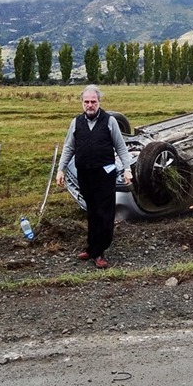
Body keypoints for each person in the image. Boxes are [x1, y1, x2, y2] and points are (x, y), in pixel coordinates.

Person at [55, 85, 133, 269]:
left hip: (104, 174)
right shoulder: (76, 122)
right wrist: (61, 169)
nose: (90, 105)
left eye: (93, 102)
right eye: (86, 102)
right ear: (82, 103)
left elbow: (121, 147)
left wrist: (127, 169)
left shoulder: (110, 121)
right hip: (85, 174)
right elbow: (69, 147)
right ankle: (91, 248)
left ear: (99, 102)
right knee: (91, 211)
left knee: (104, 213)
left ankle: (99, 252)